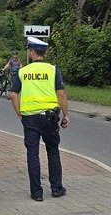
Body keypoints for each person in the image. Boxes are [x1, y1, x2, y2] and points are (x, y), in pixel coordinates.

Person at [10, 36, 69, 201]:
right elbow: (61, 94)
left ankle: (36, 193)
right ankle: (57, 188)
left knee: (33, 154)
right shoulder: (53, 70)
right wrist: (66, 115)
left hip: (29, 119)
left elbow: (13, 94)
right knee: (53, 151)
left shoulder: (23, 72)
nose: (29, 53)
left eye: (29, 51)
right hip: (49, 118)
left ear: (33, 52)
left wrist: (19, 113)